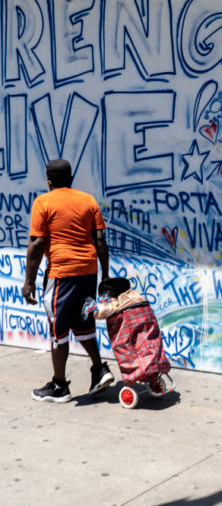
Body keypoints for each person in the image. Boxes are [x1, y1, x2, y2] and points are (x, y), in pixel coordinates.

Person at [22, 158, 114, 402]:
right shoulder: (88, 200)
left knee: (58, 331)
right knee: (82, 324)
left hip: (62, 274)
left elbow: (38, 242)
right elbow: (101, 242)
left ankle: (59, 385)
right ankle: (99, 370)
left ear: (49, 181)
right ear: (71, 177)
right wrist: (104, 274)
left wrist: (29, 281)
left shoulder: (43, 202)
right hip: (88, 272)